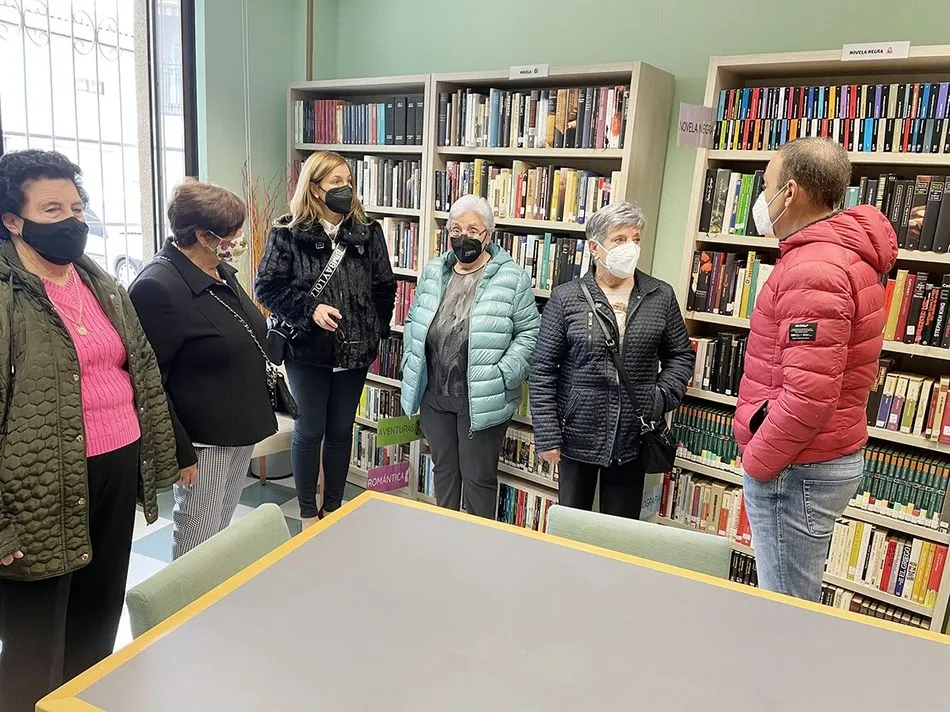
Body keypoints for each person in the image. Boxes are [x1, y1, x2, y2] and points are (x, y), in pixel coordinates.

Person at [0, 149, 178, 711]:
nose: (71, 220)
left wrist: (162, 458)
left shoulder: (99, 282)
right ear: (12, 220)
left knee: (98, 615)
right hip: (36, 487)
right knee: (36, 638)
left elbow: (141, 370)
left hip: (114, 467)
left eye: (77, 207)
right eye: (51, 209)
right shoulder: (8, 295)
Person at [734, 137, 898, 602]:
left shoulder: (815, 267)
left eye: (765, 187)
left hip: (797, 464)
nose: (760, 201)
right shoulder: (840, 255)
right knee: (793, 600)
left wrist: (758, 462)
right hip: (816, 456)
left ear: (791, 193)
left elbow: (809, 395)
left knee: (786, 608)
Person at [129, 180, 277, 559]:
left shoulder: (218, 270)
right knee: (197, 542)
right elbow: (148, 383)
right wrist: (180, 452)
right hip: (202, 441)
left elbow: (249, 330)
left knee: (218, 534)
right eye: (231, 232)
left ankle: (211, 607)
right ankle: (185, 615)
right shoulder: (157, 287)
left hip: (238, 427)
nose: (239, 239)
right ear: (201, 234)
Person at [255, 151, 396, 526]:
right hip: (307, 350)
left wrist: (374, 328)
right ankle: (306, 514)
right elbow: (266, 287)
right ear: (315, 188)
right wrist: (309, 310)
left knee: (340, 430)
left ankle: (333, 507)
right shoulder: (286, 232)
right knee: (310, 428)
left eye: (347, 179)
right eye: (335, 181)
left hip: (355, 351)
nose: (344, 187)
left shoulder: (369, 231)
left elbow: (385, 287)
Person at [530, 202, 694, 519]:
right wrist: (548, 435)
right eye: (619, 239)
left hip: (634, 436)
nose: (630, 247)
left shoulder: (660, 295)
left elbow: (680, 355)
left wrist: (660, 397)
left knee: (620, 531)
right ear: (594, 247)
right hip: (577, 434)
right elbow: (542, 370)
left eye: (635, 238)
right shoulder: (566, 298)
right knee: (572, 526)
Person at [401, 195, 539, 518]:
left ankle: (478, 550)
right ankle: (446, 543)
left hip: (481, 397)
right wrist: (411, 358)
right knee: (444, 470)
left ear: (488, 235)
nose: (464, 237)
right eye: (457, 229)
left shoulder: (512, 277)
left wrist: (503, 373)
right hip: (435, 395)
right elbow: (412, 320)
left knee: (478, 478)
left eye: (473, 230)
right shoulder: (434, 270)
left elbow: (530, 334)